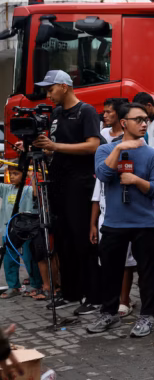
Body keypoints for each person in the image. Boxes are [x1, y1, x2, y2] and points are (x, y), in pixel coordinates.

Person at [89, 103, 154, 337]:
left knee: (147, 273)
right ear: (124, 123)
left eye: (146, 120)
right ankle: (109, 313)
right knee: (110, 272)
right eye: (138, 120)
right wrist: (120, 147)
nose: (144, 124)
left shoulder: (153, 155)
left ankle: (147, 316)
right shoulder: (105, 150)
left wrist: (136, 181)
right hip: (114, 222)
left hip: (144, 223)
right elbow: (103, 175)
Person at [32, 70, 101, 312]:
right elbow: (55, 147)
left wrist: (55, 146)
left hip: (79, 184)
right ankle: (71, 292)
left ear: (64, 86)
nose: (48, 95)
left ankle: (93, 296)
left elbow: (93, 145)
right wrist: (43, 148)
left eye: (50, 89)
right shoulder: (57, 113)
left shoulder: (86, 111)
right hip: (57, 182)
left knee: (83, 240)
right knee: (63, 241)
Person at [90, 177, 138, 317]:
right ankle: (112, 300)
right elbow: (96, 200)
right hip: (105, 221)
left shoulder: (128, 171)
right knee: (107, 263)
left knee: (126, 263)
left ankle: (124, 300)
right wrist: (92, 225)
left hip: (125, 220)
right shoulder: (102, 172)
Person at [0, 164, 43, 300]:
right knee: (9, 260)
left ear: (24, 174)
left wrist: (33, 178)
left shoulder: (28, 189)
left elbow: (36, 196)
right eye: (11, 174)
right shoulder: (6, 189)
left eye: (16, 174)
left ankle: (36, 284)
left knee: (29, 259)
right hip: (8, 230)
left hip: (26, 230)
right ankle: (13, 286)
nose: (12, 177)